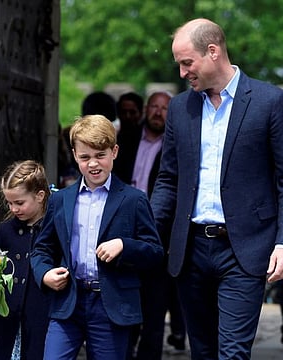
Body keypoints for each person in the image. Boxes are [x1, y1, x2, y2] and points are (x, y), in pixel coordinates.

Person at [150, 18, 283, 359]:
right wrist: (146, 231)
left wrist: (282, 241)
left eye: (186, 63)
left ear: (213, 52)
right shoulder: (181, 108)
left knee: (232, 353)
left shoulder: (269, 102)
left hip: (244, 250)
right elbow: (168, 179)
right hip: (190, 250)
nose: (182, 73)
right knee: (203, 352)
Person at [31, 114, 163, 360]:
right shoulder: (61, 199)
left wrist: (124, 245)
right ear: (74, 155)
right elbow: (42, 249)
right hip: (68, 301)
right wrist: (45, 274)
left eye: (100, 155)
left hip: (110, 305)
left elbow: (155, 251)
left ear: (114, 151)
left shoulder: (134, 199)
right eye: (85, 157)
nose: (93, 164)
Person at [116, 91, 186, 360]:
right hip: (123, 233)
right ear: (146, 109)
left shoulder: (178, 145)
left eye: (164, 108)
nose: (158, 112)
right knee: (123, 305)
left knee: (155, 310)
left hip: (160, 238)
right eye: (154, 107)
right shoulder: (127, 140)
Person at [0, 160, 51, 360]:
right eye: (9, 203)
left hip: (41, 316)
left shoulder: (53, 228)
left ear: (40, 196)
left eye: (19, 203)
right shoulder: (6, 230)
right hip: (9, 319)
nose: (13, 208)